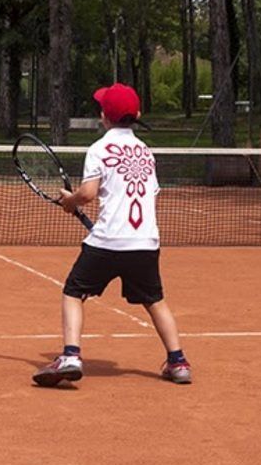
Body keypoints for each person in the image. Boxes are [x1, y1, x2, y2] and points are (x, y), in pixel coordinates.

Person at [32, 82, 191, 387]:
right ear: (138, 114)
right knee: (155, 300)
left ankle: (70, 355)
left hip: (106, 242)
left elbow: (88, 194)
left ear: (103, 116)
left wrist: (70, 201)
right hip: (145, 242)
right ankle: (178, 362)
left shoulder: (98, 149)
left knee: (73, 292)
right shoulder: (146, 152)